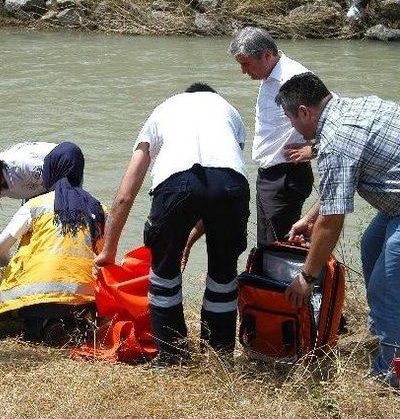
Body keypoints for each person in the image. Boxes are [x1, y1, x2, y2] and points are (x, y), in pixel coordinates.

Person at [94, 83, 250, 365]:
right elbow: (217, 183)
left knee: (164, 275)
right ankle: (220, 357)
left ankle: (172, 358)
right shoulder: (231, 112)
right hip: (231, 185)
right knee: (223, 274)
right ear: (213, 95)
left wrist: (109, 249)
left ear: (184, 94)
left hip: (176, 183)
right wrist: (191, 236)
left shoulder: (163, 109)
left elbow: (126, 194)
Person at [277, 72, 400, 389]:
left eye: (292, 120)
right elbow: (337, 189)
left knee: (385, 286)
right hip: (395, 205)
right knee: (372, 247)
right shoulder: (350, 108)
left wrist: (306, 276)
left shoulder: (334, 143)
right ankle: (384, 329)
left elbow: (332, 221)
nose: (294, 129)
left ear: (305, 111)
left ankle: (390, 374)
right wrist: (308, 218)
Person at [0, 142, 104, 346]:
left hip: (33, 298)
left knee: (20, 304)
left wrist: (8, 269)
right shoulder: (100, 208)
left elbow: (0, 246)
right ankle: (70, 325)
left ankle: (44, 323)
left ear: (51, 169)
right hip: (84, 301)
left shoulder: (35, 205)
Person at [229, 27, 314, 247]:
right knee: (267, 247)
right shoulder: (269, 78)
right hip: (269, 175)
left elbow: (335, 117)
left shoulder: (294, 78)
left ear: (267, 55)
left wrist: (313, 150)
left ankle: (302, 281)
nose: (242, 71)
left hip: (287, 176)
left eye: (246, 63)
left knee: (284, 248)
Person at [0, 142, 57, 286]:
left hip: (56, 170)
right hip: (33, 184)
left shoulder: (23, 168)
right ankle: (10, 269)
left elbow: (59, 189)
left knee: (45, 227)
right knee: (7, 242)